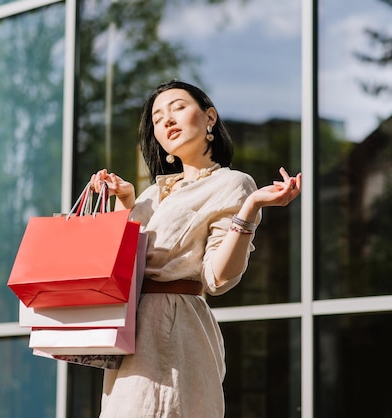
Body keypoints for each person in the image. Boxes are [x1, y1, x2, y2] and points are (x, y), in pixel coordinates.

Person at [90, 80, 301, 418]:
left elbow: (217, 278)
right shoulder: (151, 194)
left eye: (178, 108)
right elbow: (121, 266)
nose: (167, 120)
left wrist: (250, 208)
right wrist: (126, 202)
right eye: (158, 118)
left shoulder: (231, 183)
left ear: (209, 118)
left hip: (175, 333)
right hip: (131, 338)